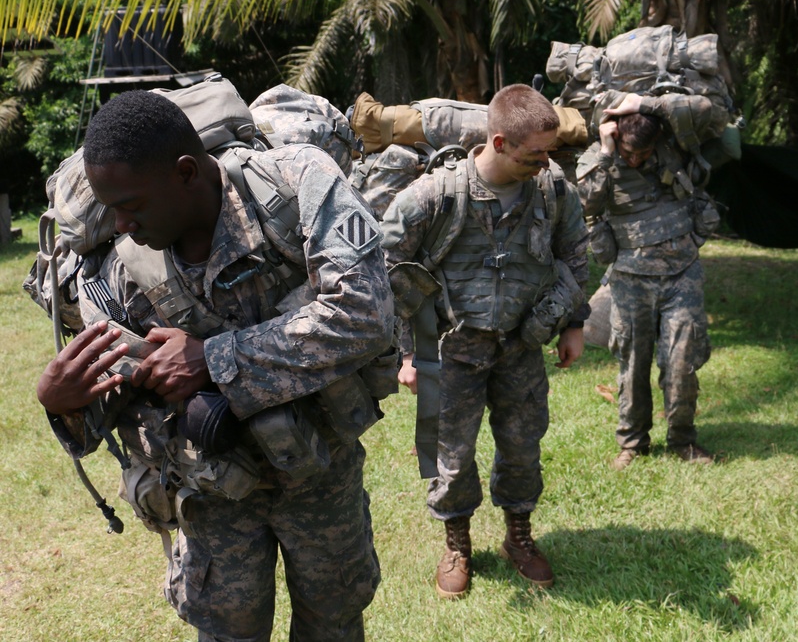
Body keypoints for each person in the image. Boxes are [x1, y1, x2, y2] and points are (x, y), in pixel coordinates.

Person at [38, 89, 394, 641]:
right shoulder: (118, 272)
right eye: (110, 210)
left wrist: (215, 358)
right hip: (212, 493)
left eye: (131, 206)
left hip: (319, 471)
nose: (122, 224)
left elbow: (366, 314)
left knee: (334, 622)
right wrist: (63, 406)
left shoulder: (294, 185)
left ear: (185, 172)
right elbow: (116, 404)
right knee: (228, 633)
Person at [379, 84, 590, 599]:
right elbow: (388, 272)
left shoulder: (553, 190)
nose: (545, 163)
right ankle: (457, 543)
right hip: (450, 351)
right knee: (451, 454)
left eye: (549, 153)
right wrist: (407, 352)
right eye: (534, 154)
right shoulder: (434, 196)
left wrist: (574, 324)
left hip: (521, 346)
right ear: (498, 142)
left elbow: (575, 253)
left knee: (522, 447)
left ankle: (518, 536)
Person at [577, 91, 725, 470]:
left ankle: (683, 440)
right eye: (628, 151)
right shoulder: (601, 157)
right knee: (632, 362)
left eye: (641, 153)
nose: (634, 159)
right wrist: (609, 152)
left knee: (681, 362)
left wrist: (644, 103)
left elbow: (708, 108)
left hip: (682, 273)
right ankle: (632, 443)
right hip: (629, 279)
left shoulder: (674, 142)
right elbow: (587, 203)